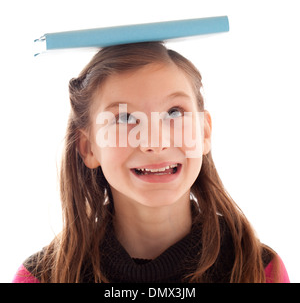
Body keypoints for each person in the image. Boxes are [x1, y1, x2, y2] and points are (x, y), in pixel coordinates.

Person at [13, 42, 289, 283]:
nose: (155, 142)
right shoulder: (41, 278)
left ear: (204, 132)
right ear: (88, 148)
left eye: (174, 112)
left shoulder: (260, 270)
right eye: (124, 118)